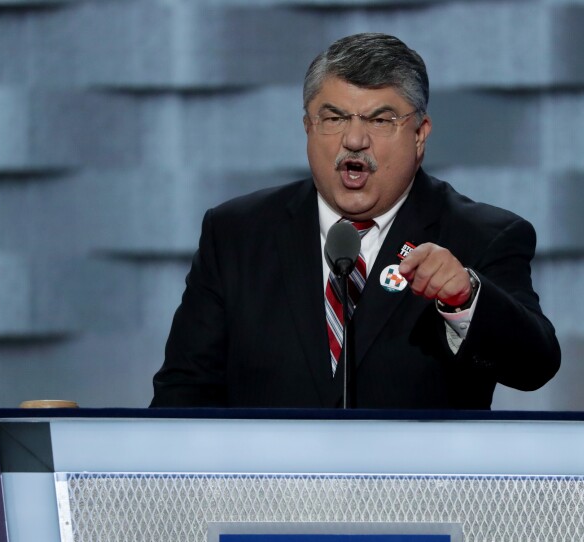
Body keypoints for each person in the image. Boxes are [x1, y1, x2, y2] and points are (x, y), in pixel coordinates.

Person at [150, 33, 560, 409]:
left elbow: (534, 367)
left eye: (381, 120)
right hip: (268, 488)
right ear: (308, 127)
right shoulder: (236, 234)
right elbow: (184, 395)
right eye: (334, 118)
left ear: (420, 134)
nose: (355, 139)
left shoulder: (481, 236)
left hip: (417, 489)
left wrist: (466, 299)